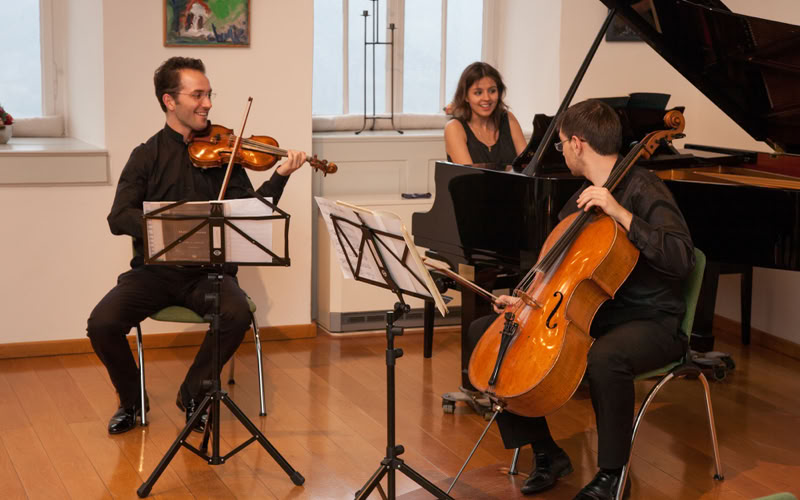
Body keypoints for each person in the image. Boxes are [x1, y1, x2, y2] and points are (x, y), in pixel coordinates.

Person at [466, 99, 694, 499]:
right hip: (594, 312)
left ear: (577, 143)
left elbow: (682, 258)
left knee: (606, 357)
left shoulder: (644, 189)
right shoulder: (582, 197)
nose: (562, 152)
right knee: (486, 332)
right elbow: (556, 265)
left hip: (651, 320)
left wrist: (622, 214)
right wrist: (523, 299)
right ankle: (546, 453)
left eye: (560, 145)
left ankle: (612, 476)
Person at [87, 56, 305, 435]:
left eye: (209, 94)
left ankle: (194, 393)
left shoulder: (226, 155)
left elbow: (252, 211)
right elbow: (117, 216)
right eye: (198, 95)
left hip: (209, 274)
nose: (207, 103)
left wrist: (280, 176)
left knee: (237, 314)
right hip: (156, 272)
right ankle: (132, 401)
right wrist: (168, 226)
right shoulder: (147, 155)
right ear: (170, 101)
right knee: (102, 324)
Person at [444, 61, 527, 165]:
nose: (487, 98)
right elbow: (468, 177)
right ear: (465, 96)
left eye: (492, 91)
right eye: (478, 93)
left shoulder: (508, 118)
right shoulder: (454, 127)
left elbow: (527, 167)